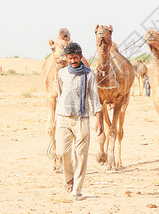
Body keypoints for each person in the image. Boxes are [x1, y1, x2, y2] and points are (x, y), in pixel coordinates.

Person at [55, 42, 103, 201]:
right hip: (63, 117)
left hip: (82, 118)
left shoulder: (89, 75)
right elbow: (60, 94)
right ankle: (69, 177)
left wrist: (99, 121)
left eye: (76, 58)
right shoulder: (61, 73)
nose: (73, 61)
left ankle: (77, 190)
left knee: (81, 155)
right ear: (67, 58)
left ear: (80, 56)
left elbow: (95, 99)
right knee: (62, 152)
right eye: (70, 58)